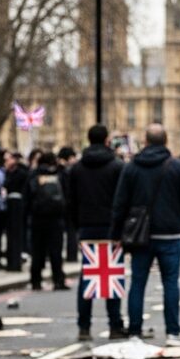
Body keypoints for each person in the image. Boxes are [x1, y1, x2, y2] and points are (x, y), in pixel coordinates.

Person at [110, 123, 180, 343]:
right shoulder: (176, 166)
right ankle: (172, 331)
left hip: (140, 234)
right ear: (166, 141)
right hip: (170, 232)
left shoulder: (132, 166)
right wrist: (174, 209)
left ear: (146, 141)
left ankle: (134, 331)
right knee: (170, 282)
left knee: (138, 283)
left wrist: (116, 234)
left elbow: (120, 202)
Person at [67, 124, 127, 342]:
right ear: (107, 140)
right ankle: (115, 325)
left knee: (88, 277)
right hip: (111, 228)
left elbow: (71, 201)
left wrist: (77, 227)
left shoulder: (76, 169)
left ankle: (84, 327)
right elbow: (122, 200)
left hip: (87, 227)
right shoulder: (117, 166)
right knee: (112, 277)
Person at [27, 152, 68, 291]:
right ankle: (58, 280)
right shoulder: (58, 174)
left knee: (37, 251)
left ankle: (36, 280)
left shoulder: (34, 175)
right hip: (56, 219)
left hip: (37, 219)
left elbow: (27, 196)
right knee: (56, 251)